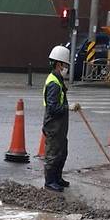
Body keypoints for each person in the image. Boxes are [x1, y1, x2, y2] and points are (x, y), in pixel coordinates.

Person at [43, 45, 70, 192]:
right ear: (59, 64)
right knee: (53, 154)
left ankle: (58, 178)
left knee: (62, 152)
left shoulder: (58, 80)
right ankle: (50, 182)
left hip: (60, 126)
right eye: (65, 65)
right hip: (54, 125)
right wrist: (68, 108)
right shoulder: (53, 83)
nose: (67, 68)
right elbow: (52, 108)